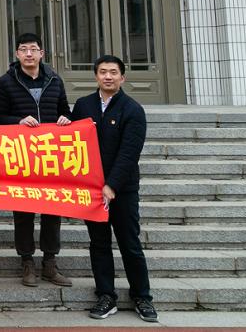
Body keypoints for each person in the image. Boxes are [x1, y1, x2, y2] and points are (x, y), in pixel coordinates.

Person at [73, 55, 157, 323]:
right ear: (96, 76)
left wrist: (112, 185)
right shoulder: (83, 105)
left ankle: (142, 296)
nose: (107, 77)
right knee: (98, 244)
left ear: (123, 77)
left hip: (122, 190)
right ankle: (106, 296)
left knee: (129, 243)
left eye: (113, 72)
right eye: (102, 72)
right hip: (92, 189)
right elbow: (73, 141)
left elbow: (130, 152)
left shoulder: (132, 109)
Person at [0, 33, 73, 287]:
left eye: (33, 49)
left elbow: (65, 112)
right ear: (17, 54)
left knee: (52, 211)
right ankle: (27, 261)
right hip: (21, 156)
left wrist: (65, 119)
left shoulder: (55, 80)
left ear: (41, 53)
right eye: (24, 49)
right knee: (23, 212)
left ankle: (50, 262)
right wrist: (18, 121)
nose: (29, 54)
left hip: (50, 156)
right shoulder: (6, 82)